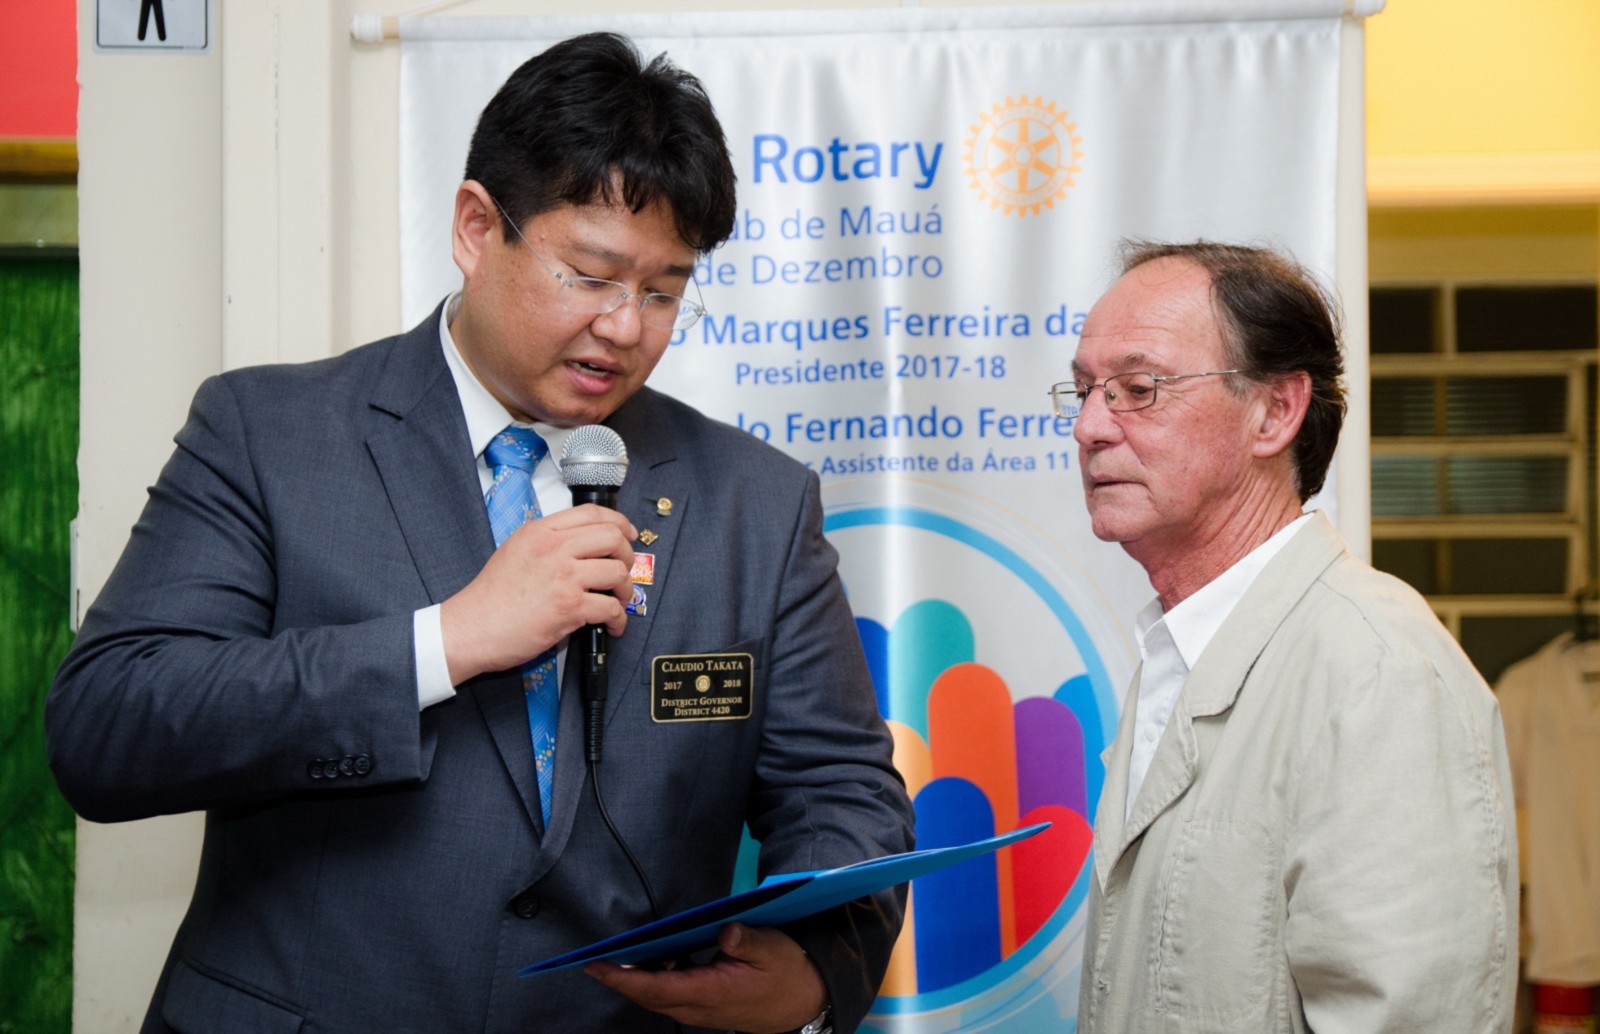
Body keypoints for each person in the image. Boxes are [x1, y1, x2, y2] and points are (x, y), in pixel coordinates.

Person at [47, 32, 913, 1034]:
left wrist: (814, 971)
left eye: (663, 291)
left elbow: (843, 793)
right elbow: (107, 727)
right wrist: (446, 640)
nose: (626, 327)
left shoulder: (757, 502)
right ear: (474, 227)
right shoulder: (269, 434)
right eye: (589, 274)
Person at [1060, 241, 1517, 1032]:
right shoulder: (1184, 649)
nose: (1089, 426)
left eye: (1138, 389)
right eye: (1083, 391)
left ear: (1275, 412)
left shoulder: (1376, 669)